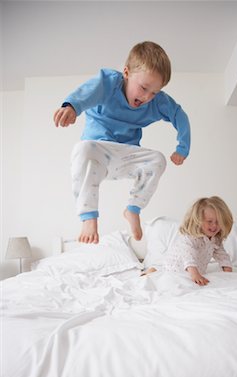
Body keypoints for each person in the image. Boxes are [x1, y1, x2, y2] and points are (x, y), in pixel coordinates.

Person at [53, 41, 191, 244]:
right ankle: (89, 218)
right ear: (126, 73)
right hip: (98, 153)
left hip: (126, 156)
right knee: (82, 148)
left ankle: (133, 209)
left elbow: (179, 115)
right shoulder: (109, 83)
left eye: (154, 92)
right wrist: (72, 107)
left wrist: (182, 147)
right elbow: (87, 91)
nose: (146, 97)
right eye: (143, 88)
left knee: (158, 159)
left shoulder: (157, 102)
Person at [142, 196, 233, 285]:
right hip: (177, 267)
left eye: (218, 222)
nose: (214, 226)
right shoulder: (190, 237)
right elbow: (188, 256)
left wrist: (228, 272)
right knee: (163, 274)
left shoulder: (215, 239)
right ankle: (152, 270)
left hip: (197, 268)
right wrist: (195, 274)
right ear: (198, 220)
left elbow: (222, 255)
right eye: (209, 221)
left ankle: (156, 269)